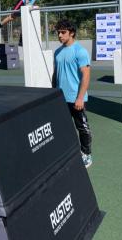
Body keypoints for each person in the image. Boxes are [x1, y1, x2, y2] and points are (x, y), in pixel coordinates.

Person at [52, 19, 93, 168]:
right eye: (58, 33)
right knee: (63, 127)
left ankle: (86, 154)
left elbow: (86, 76)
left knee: (82, 127)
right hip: (60, 98)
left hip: (76, 99)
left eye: (63, 32)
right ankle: (68, 151)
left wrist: (80, 97)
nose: (60, 36)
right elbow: (55, 74)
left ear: (72, 33)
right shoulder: (57, 52)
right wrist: (53, 94)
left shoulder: (80, 51)